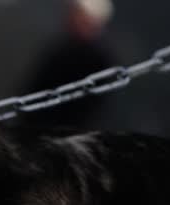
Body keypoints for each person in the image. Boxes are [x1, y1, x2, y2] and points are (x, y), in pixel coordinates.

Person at [20, 0, 116, 129]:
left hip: (73, 127)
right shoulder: (60, 49)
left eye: (76, 14)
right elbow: (36, 86)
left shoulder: (99, 56)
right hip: (42, 124)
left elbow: (94, 105)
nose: (69, 19)